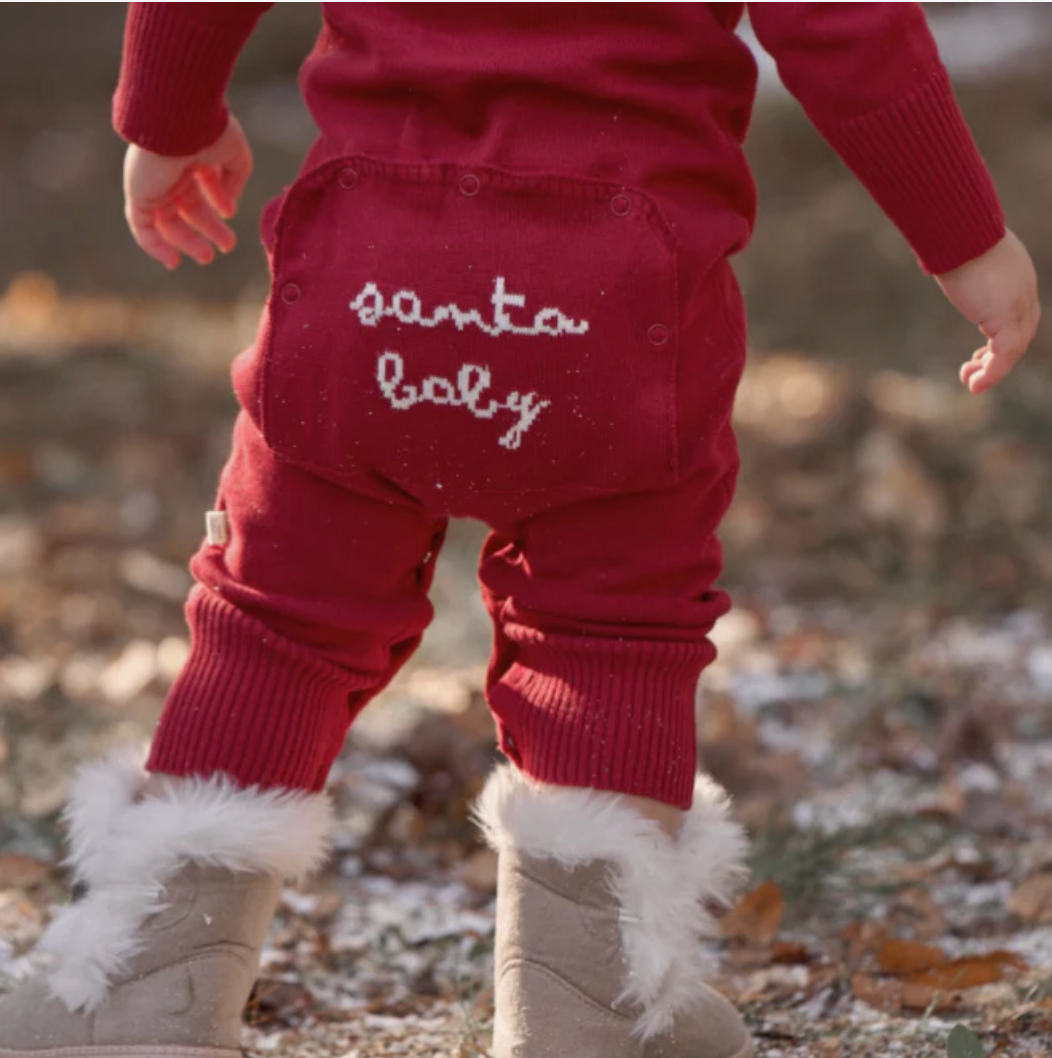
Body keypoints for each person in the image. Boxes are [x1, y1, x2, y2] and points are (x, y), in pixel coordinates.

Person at [0, 5, 1039, 1058]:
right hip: (621, 307)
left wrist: (167, 120)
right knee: (611, 630)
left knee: (276, 618)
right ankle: (584, 1002)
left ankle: (147, 985)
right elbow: (846, 25)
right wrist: (964, 239)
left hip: (368, 281)